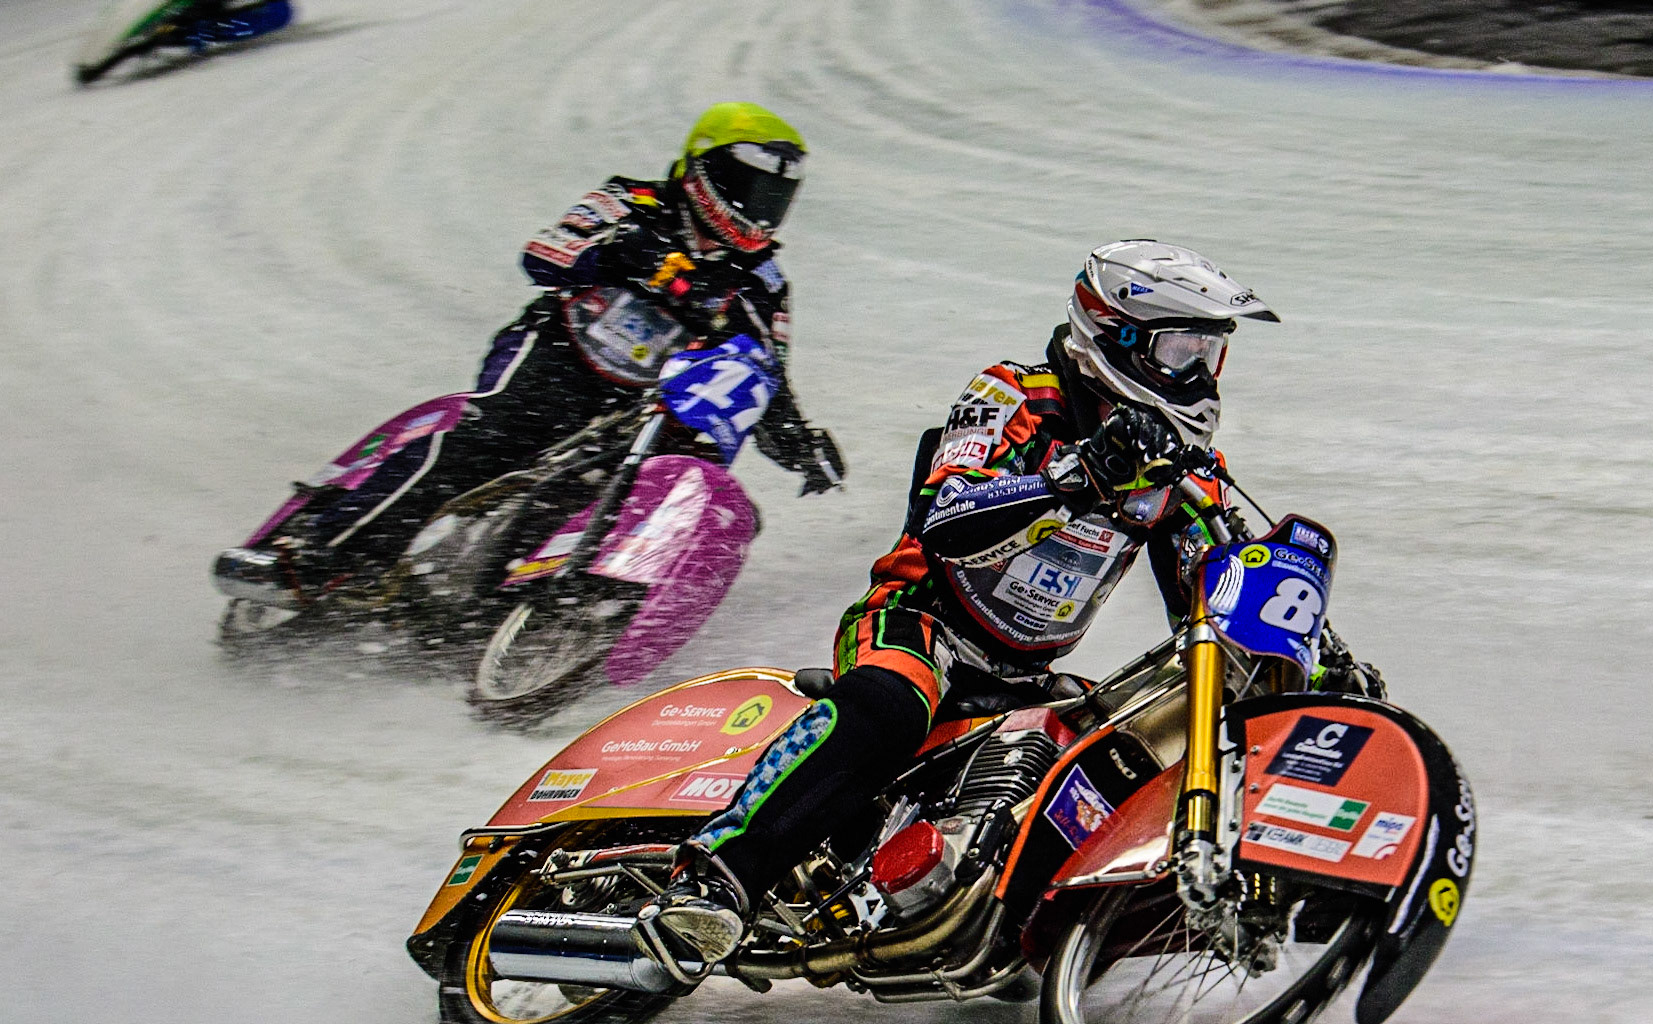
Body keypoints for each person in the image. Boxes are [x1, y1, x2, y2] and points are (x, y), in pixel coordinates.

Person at [642, 239, 1291, 967]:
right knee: (893, 702)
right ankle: (712, 876)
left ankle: (1039, 925)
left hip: (1021, 672)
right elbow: (949, 520)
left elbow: (1208, 594)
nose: (1198, 375)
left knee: (1124, 736)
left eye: (1209, 353)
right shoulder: (1014, 395)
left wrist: (1298, 654)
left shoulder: (1180, 465)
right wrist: (1077, 477)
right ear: (1115, 337)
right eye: (1181, 351)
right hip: (921, 619)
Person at [284, 101, 844, 593]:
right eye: (749, 187)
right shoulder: (631, 200)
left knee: (599, 493)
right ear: (704, 171)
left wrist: (799, 442)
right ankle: (327, 550)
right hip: (558, 354)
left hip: (640, 406)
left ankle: (507, 599)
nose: (761, 208)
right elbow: (543, 254)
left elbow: (762, 371)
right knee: (481, 442)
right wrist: (645, 262)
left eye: (775, 196)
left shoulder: (764, 281)